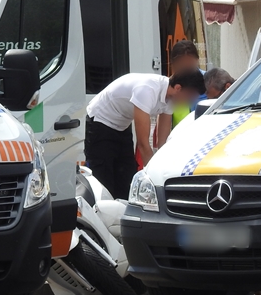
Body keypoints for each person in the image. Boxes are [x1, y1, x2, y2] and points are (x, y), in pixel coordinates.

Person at [85, 69, 206, 199]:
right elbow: (143, 144)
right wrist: (155, 179)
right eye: (190, 96)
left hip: (122, 126)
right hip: (100, 122)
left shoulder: (171, 98)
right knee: (104, 182)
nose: (189, 102)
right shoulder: (147, 90)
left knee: (127, 179)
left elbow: (162, 144)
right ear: (178, 88)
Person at [169, 41, 206, 127]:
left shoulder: (209, 81)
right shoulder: (169, 87)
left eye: (190, 65)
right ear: (173, 65)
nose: (187, 71)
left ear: (197, 61)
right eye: (182, 66)